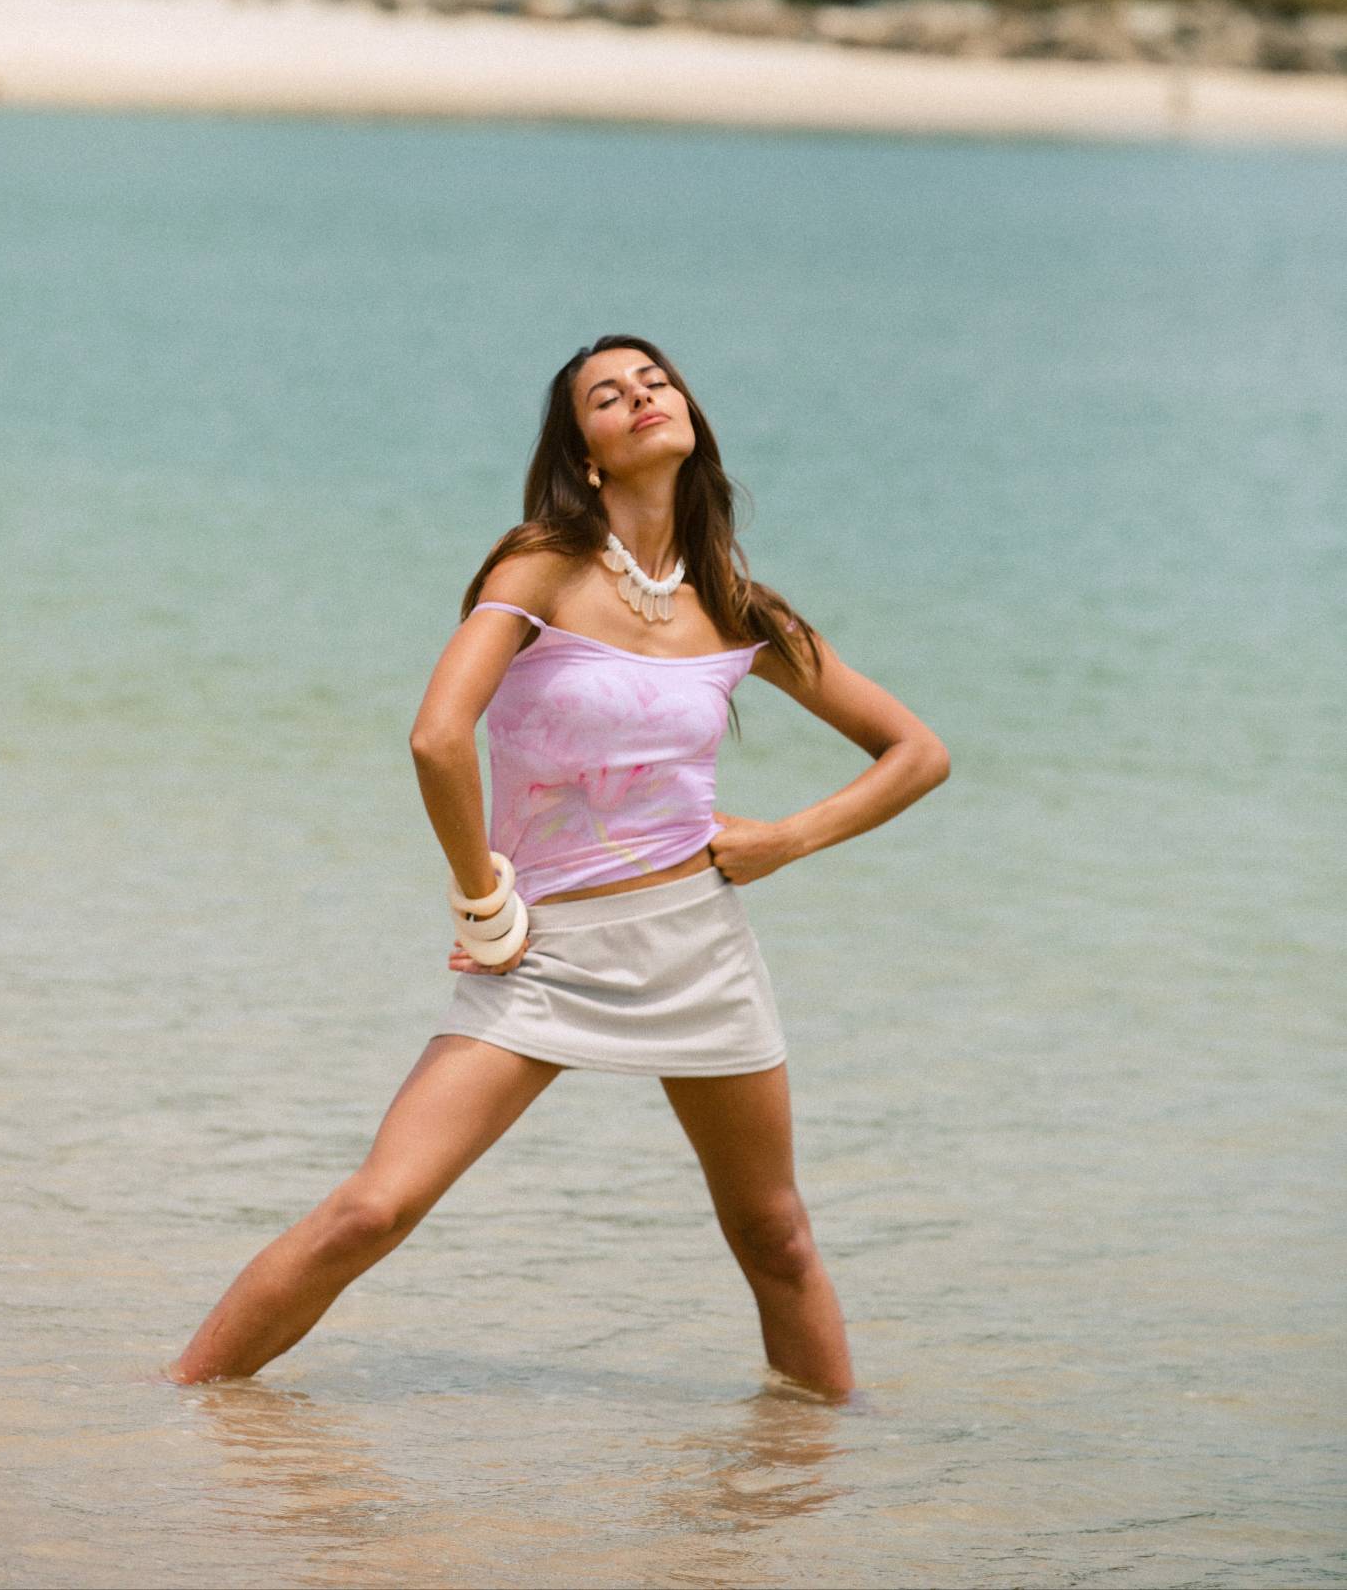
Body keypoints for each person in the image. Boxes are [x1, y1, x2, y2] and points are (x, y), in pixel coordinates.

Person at [165, 333, 950, 1396]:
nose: (639, 399)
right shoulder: (538, 567)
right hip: (548, 952)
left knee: (776, 1239)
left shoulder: (741, 609)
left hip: (698, 951)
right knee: (371, 1210)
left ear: (689, 418)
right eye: (606, 396)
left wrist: (785, 839)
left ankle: (809, 1491)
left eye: (655, 383)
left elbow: (918, 753)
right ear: (584, 454)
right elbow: (438, 737)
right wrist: (486, 902)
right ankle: (173, 1414)